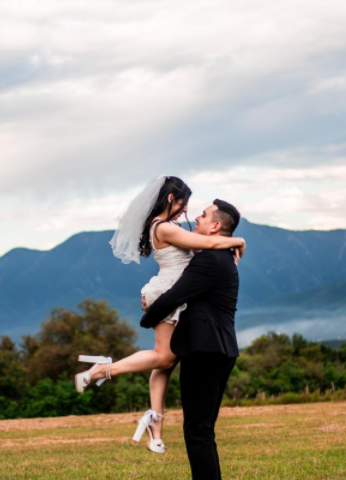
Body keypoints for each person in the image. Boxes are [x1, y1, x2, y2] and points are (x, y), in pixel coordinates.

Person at [74, 176, 245, 454]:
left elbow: (203, 246)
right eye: (183, 203)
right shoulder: (163, 227)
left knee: (165, 362)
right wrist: (238, 240)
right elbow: (210, 243)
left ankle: (156, 428)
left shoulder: (169, 226)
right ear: (170, 198)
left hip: (174, 291)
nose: (186, 210)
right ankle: (103, 370)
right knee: (164, 356)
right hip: (167, 292)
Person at [140, 198, 242, 480]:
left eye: (203, 215)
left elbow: (174, 296)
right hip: (214, 350)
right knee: (198, 430)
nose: (196, 217)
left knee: (198, 432)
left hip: (206, 352)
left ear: (215, 226)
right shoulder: (218, 255)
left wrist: (147, 318)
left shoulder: (210, 259)